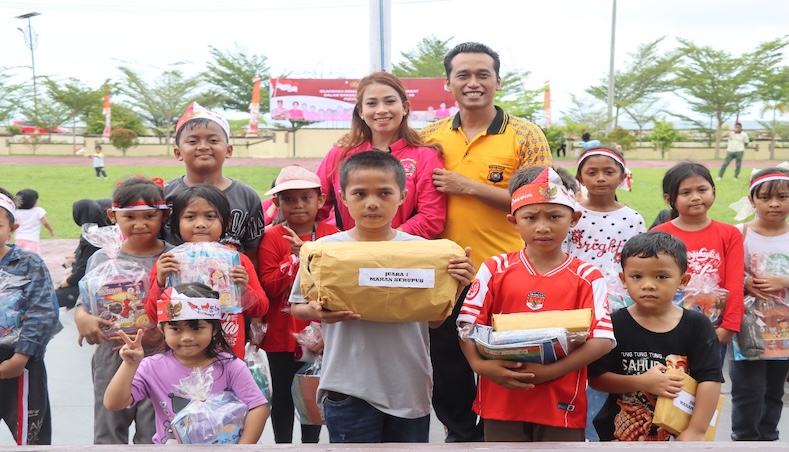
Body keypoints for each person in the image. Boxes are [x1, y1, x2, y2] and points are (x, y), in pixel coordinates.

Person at [289, 151, 475, 443]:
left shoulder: (424, 253)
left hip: (408, 387)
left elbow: (435, 322)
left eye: (384, 193)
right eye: (360, 193)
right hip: (347, 385)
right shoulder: (324, 250)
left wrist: (458, 285)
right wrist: (316, 312)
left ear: (403, 196)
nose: (372, 203)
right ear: (343, 197)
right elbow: (297, 306)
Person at [419, 41, 552, 442]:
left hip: (510, 272)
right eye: (463, 75)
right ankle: (461, 435)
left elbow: (541, 202)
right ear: (448, 83)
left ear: (498, 81)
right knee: (448, 364)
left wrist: (469, 186)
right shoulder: (428, 137)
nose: (473, 82)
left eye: (483, 74)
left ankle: (506, 434)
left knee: (510, 358)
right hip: (448, 272)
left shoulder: (525, 134)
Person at [456, 166, 615, 442]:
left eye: (554, 216)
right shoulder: (494, 268)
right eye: (530, 217)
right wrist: (479, 366)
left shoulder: (588, 277)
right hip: (501, 400)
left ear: (574, 218)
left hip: (560, 404)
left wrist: (551, 372)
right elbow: (467, 325)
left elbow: (601, 340)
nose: (542, 227)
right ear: (514, 221)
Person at [589, 231, 723, 441]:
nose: (648, 285)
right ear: (623, 280)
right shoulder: (614, 324)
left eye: (661, 276)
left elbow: (710, 380)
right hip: (620, 436)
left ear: (683, 280)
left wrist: (696, 430)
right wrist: (642, 382)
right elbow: (597, 378)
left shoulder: (697, 325)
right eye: (637, 276)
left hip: (679, 436)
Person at [72, 177, 174, 444]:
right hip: (114, 351)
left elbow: (182, 306)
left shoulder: (173, 258)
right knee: (109, 428)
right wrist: (82, 317)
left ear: (164, 216)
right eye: (129, 216)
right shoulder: (102, 257)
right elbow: (85, 299)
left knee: (154, 432)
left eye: (149, 216)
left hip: (160, 354)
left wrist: (161, 336)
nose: (139, 224)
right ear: (112, 216)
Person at [104, 283, 269, 444]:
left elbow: (257, 407)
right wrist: (129, 365)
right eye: (176, 329)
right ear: (162, 329)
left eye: (197, 328)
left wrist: (240, 449)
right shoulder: (151, 367)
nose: (187, 337)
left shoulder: (231, 366)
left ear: (214, 329)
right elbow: (114, 403)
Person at [562, 147, 646, 441]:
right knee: (577, 368)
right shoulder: (571, 214)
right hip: (575, 304)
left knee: (607, 367)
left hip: (618, 308)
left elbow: (639, 263)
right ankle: (576, 430)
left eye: (609, 172)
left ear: (622, 177)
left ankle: (603, 433)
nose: (600, 178)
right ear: (580, 177)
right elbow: (562, 254)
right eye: (592, 172)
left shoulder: (631, 218)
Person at [258, 165, 338, 444]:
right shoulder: (271, 237)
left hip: (322, 333)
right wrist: (295, 259)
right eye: (289, 199)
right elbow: (270, 286)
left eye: (306, 198)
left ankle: (310, 446)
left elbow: (340, 281)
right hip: (281, 333)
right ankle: (282, 445)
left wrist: (306, 254)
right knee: (283, 394)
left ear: (320, 200)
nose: (299, 205)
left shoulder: (333, 234)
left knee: (312, 391)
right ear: (277, 202)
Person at [317, 71, 446, 239]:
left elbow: (431, 218)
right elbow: (316, 206)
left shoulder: (426, 157)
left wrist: (386, 241)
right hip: (347, 251)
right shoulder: (340, 154)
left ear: (405, 107)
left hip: (402, 252)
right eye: (372, 103)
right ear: (361, 111)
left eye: (390, 101)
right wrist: (342, 241)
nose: (382, 110)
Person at [147, 184, 269, 359]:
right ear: (175, 223)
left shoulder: (236, 260)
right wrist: (160, 282)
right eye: (190, 217)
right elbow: (153, 316)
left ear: (226, 222)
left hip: (228, 350)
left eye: (210, 216)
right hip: (183, 353)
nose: (200, 224)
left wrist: (244, 288)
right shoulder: (168, 262)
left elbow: (261, 308)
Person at [652, 162, 744, 363]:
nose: (695, 197)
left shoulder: (729, 234)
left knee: (707, 378)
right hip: (666, 326)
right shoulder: (659, 235)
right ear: (669, 199)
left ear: (713, 191)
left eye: (702, 190)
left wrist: (729, 326)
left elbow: (735, 283)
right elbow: (652, 281)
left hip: (712, 328)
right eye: (686, 192)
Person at [164, 101, 265, 271]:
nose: (203, 147)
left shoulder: (247, 196)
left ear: (229, 150)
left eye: (213, 140)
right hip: (176, 283)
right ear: (178, 152)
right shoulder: (164, 194)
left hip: (229, 283)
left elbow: (253, 252)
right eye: (193, 141)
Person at [730, 167, 789, 441]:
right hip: (748, 328)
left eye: (782, 197)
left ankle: (769, 438)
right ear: (752, 200)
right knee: (747, 389)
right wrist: (744, 282)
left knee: (774, 390)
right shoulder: (738, 234)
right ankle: (743, 439)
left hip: (784, 330)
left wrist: (783, 281)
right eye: (765, 197)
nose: (774, 204)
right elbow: (723, 273)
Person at [0, 187, 60, 445]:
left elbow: (43, 312)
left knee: (31, 438)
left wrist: (20, 357)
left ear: (12, 229)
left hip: (21, 363)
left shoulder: (29, 264)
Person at [55, 199, 113, 309]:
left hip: (90, 288)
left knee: (48, 297)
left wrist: (60, 285)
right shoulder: (105, 232)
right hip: (93, 283)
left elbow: (82, 272)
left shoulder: (92, 238)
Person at [12, 189, 54, 254]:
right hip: (32, 240)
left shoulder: (16, 212)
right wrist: (50, 230)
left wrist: (10, 233)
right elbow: (45, 222)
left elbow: (12, 224)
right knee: (33, 256)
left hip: (19, 238)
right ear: (33, 202)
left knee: (20, 256)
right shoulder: (39, 211)